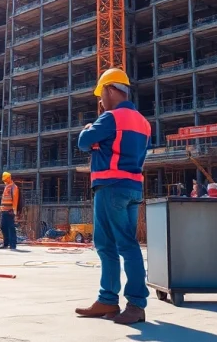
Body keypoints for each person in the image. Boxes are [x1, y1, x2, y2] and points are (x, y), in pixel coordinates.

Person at [74, 68, 152, 325]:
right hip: (132, 188)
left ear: (110, 90)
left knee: (116, 246)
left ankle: (134, 304)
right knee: (118, 244)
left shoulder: (110, 118)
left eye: (101, 95)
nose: (100, 101)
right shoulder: (143, 122)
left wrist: (90, 128)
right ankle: (109, 300)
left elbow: (84, 141)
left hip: (110, 187)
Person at [0, 172, 19, 251]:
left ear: (8, 178)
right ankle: (6, 243)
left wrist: (14, 211)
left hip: (10, 211)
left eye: (5, 179)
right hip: (4, 210)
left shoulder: (14, 187)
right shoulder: (6, 186)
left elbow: (15, 200)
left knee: (11, 228)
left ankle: (12, 245)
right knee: (3, 227)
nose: (4, 181)